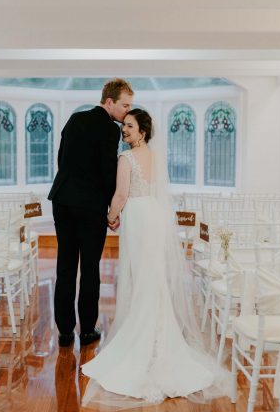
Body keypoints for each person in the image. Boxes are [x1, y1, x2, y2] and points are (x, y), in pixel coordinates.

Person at [81, 109, 230, 408]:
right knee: (153, 276)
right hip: (155, 215)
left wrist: (110, 217)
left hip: (137, 215)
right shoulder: (156, 157)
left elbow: (121, 195)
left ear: (143, 131)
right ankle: (160, 337)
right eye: (124, 125)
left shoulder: (126, 158)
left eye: (130, 126)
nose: (124, 130)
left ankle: (142, 338)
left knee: (140, 276)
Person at [48, 78, 134, 347]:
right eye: (124, 105)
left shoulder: (75, 119)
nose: (127, 112)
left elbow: (61, 158)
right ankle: (87, 330)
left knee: (65, 266)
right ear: (109, 101)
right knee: (89, 268)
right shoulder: (109, 129)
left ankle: (64, 332)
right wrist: (112, 210)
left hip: (62, 200)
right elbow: (108, 172)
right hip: (90, 205)